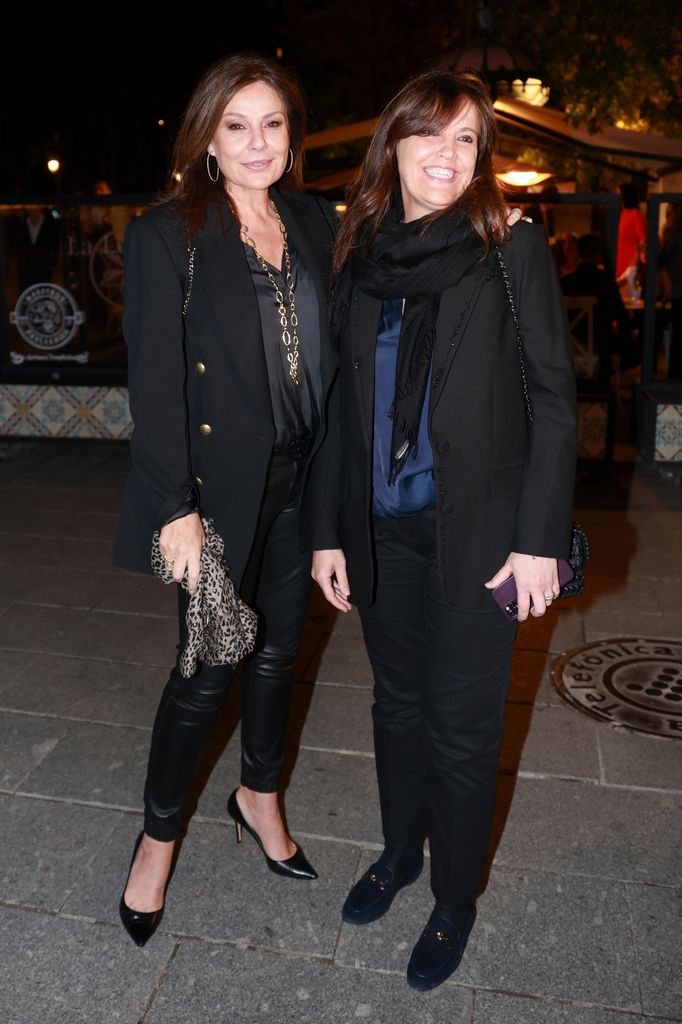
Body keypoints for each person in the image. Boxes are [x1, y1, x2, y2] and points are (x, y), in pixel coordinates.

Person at [312, 70, 577, 992]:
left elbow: (552, 398)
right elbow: (343, 404)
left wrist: (540, 538)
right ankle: (398, 854)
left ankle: (454, 899)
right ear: (394, 143)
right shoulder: (360, 251)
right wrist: (330, 531)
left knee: (464, 729)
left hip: (483, 536)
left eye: (468, 141)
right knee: (396, 705)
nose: (448, 156)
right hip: (382, 529)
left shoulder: (509, 247)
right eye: (432, 135)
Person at [113, 52, 338, 947]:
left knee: (281, 657)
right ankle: (157, 840)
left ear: (293, 135)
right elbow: (155, 385)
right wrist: (174, 506)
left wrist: (497, 223)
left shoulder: (318, 222)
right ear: (208, 134)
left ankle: (259, 796)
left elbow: (408, 254)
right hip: (212, 494)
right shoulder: (168, 233)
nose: (257, 141)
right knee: (207, 670)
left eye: (273, 123)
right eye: (237, 124)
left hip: (303, 481)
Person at [561, 232, 636, 383]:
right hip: (601, 349)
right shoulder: (606, 282)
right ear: (598, 255)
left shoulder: (565, 282)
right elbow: (620, 316)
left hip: (568, 350)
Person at [616, 182, 646, 279]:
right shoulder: (621, 215)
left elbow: (643, 241)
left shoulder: (635, 215)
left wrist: (633, 266)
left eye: (618, 195)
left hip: (628, 269)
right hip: (618, 267)